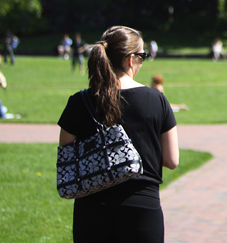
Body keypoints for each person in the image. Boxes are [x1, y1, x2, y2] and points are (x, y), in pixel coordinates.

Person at [58, 26, 179, 243]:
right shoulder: (157, 100)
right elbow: (172, 160)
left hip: (91, 209)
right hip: (142, 207)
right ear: (130, 59)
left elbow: (66, 154)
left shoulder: (79, 102)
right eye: (142, 56)